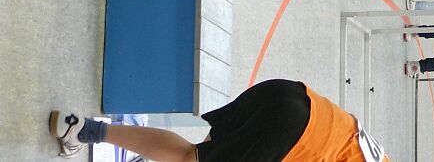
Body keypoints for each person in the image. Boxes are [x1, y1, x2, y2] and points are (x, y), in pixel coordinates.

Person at [50, 79, 390, 161]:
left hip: (291, 95)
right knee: (189, 158)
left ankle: (88, 130)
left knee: (208, 148)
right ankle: (85, 130)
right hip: (290, 135)